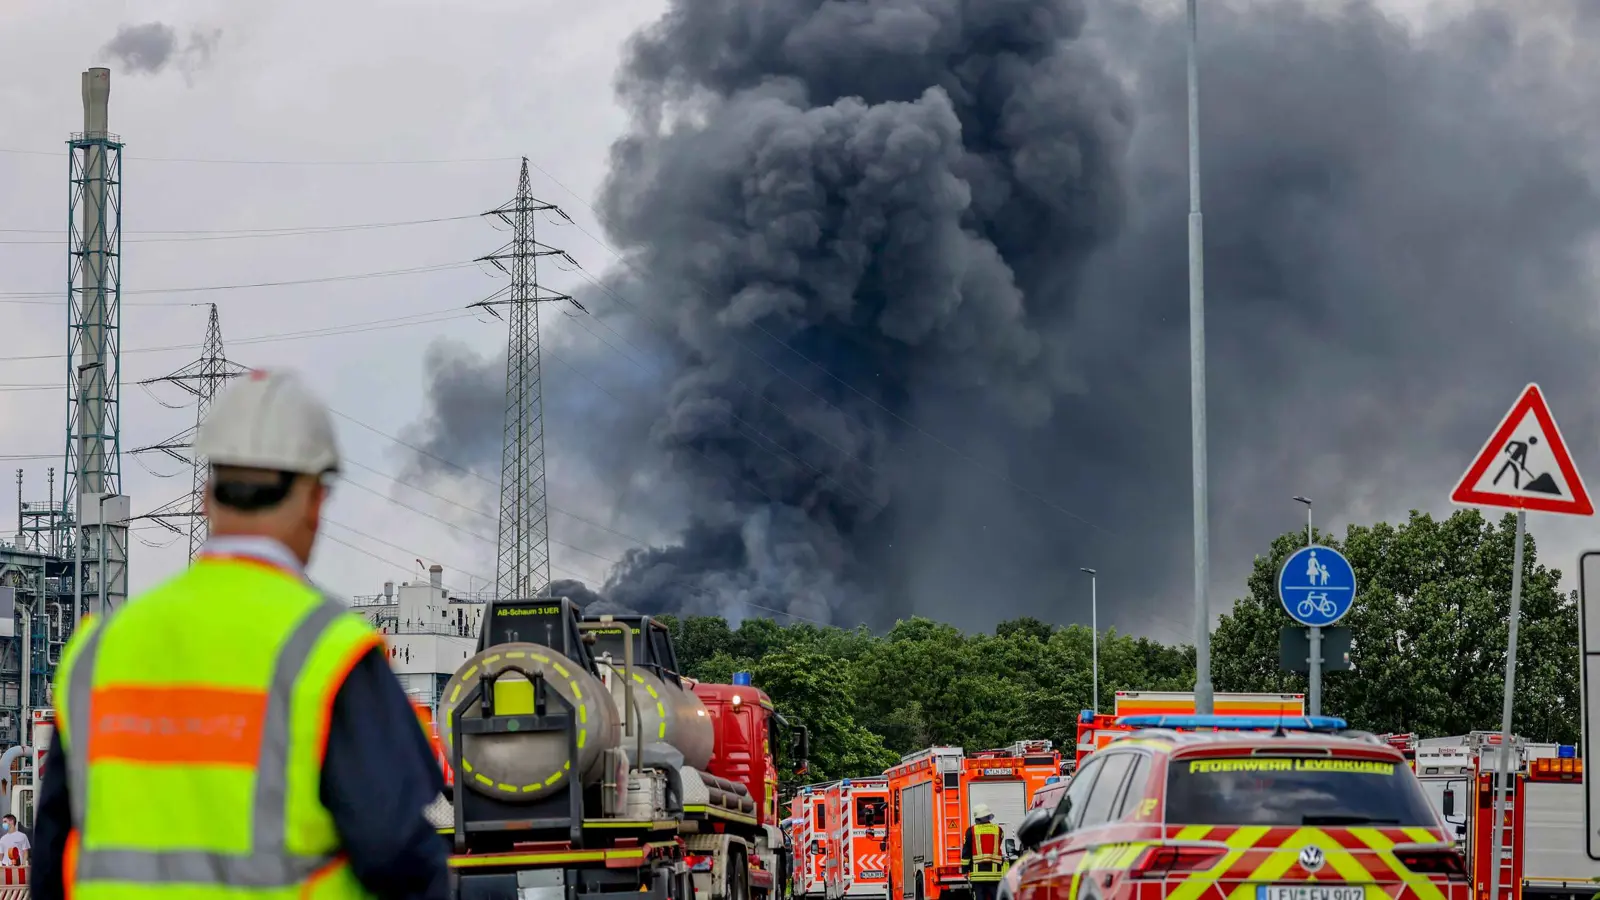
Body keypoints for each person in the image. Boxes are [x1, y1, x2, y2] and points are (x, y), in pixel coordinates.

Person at [30, 368, 450, 900]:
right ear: (316, 501)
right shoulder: (327, 654)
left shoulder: (101, 652)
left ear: (207, 496)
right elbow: (402, 859)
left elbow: (51, 864)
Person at [961, 803, 1005, 900]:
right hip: (995, 876)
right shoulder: (998, 830)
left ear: (978, 819)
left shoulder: (971, 831)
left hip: (978, 876)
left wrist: (964, 870)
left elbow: (966, 852)